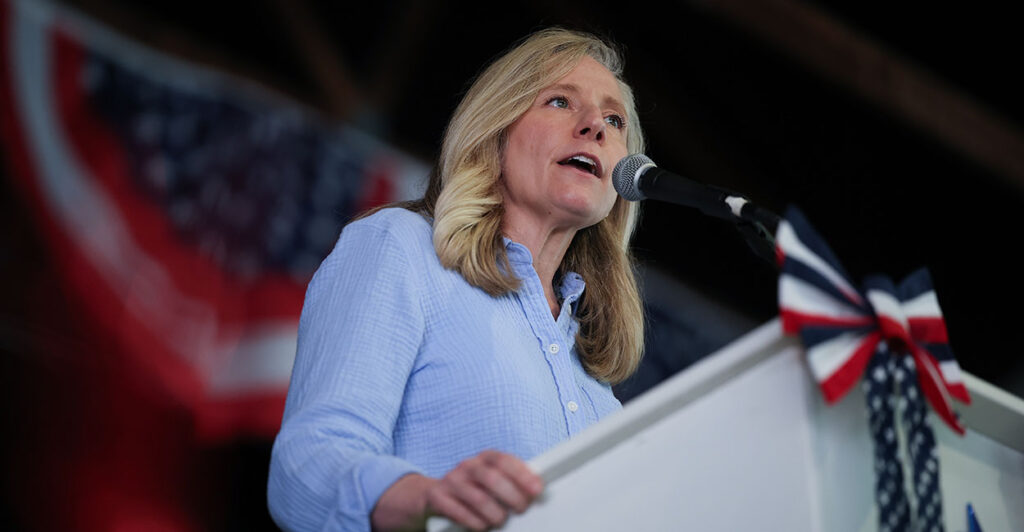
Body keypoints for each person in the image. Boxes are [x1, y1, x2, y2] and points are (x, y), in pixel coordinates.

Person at [267, 27, 646, 532]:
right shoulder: (401, 248)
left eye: (614, 119)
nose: (595, 126)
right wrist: (426, 499)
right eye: (560, 101)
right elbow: (305, 469)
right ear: (495, 130)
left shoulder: (598, 385)